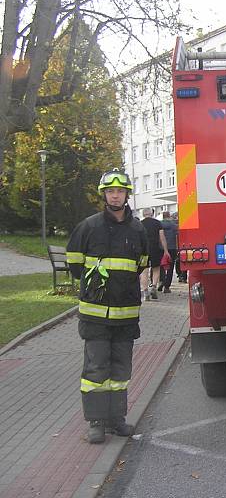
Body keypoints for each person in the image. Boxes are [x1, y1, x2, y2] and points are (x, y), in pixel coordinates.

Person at [66, 169, 149, 444]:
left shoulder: (138, 229)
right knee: (96, 370)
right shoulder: (89, 227)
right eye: (111, 191)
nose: (115, 195)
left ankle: (116, 420)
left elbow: (142, 264)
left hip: (126, 316)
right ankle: (96, 422)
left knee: (121, 371)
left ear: (127, 194)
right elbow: (75, 265)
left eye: (120, 191)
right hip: (95, 315)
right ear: (104, 194)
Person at [139, 208, 168, 301]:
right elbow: (162, 237)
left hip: (143, 250)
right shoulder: (157, 223)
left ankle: (145, 292)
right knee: (156, 269)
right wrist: (165, 250)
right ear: (151, 214)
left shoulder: (140, 224)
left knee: (144, 271)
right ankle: (154, 287)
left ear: (143, 214)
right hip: (155, 249)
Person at [158, 211, 178, 293]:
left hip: (161, 248)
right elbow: (178, 234)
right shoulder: (173, 225)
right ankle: (167, 286)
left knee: (161, 266)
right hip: (172, 248)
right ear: (169, 216)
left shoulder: (159, 224)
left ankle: (161, 281)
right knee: (170, 267)